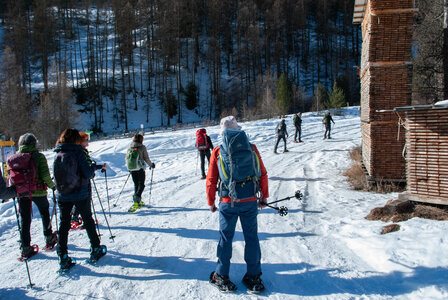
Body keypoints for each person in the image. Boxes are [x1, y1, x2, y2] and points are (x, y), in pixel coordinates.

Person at [206, 116, 269, 293]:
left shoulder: (218, 151)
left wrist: (211, 202)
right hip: (249, 199)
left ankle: (221, 276)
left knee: (226, 238)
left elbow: (211, 180)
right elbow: (262, 174)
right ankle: (254, 277)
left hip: (228, 202)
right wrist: (264, 196)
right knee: (251, 237)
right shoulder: (252, 148)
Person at [53, 128, 106, 270]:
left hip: (63, 193)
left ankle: (62, 255)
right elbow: (88, 173)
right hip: (79, 192)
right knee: (88, 220)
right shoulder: (78, 152)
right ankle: (95, 247)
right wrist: (92, 169)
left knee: (64, 224)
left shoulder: (58, 153)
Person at [16, 133, 57, 258]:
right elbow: (45, 175)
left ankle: (25, 247)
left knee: (25, 219)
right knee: (45, 212)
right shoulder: (39, 156)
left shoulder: (16, 157)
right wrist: (52, 186)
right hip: (38, 191)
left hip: (22, 192)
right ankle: (49, 238)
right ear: (34, 143)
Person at [71, 132, 107, 228]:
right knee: (86, 199)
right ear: (81, 141)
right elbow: (86, 166)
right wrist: (96, 168)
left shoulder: (75, 151)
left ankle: (75, 217)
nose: (88, 142)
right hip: (84, 179)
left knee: (80, 199)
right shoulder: (81, 152)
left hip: (76, 179)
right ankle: (87, 220)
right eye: (86, 140)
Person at [126, 134, 155, 211]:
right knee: (141, 185)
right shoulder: (142, 147)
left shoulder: (130, 147)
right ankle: (137, 197)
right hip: (140, 168)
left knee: (136, 184)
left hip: (132, 169)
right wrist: (151, 165)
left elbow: (127, 158)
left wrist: (130, 167)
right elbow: (146, 158)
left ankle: (137, 201)